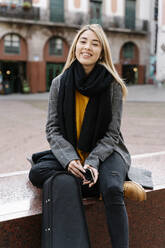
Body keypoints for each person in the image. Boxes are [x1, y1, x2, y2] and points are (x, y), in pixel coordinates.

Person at [29, 24, 145, 248]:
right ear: (75, 47)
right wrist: (70, 159)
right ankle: (118, 182)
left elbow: (112, 134)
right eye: (83, 41)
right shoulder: (59, 84)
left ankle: (112, 184)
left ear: (102, 51)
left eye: (95, 43)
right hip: (72, 150)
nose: (87, 47)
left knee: (111, 191)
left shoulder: (112, 85)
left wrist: (92, 161)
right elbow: (52, 129)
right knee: (37, 172)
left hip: (106, 151)